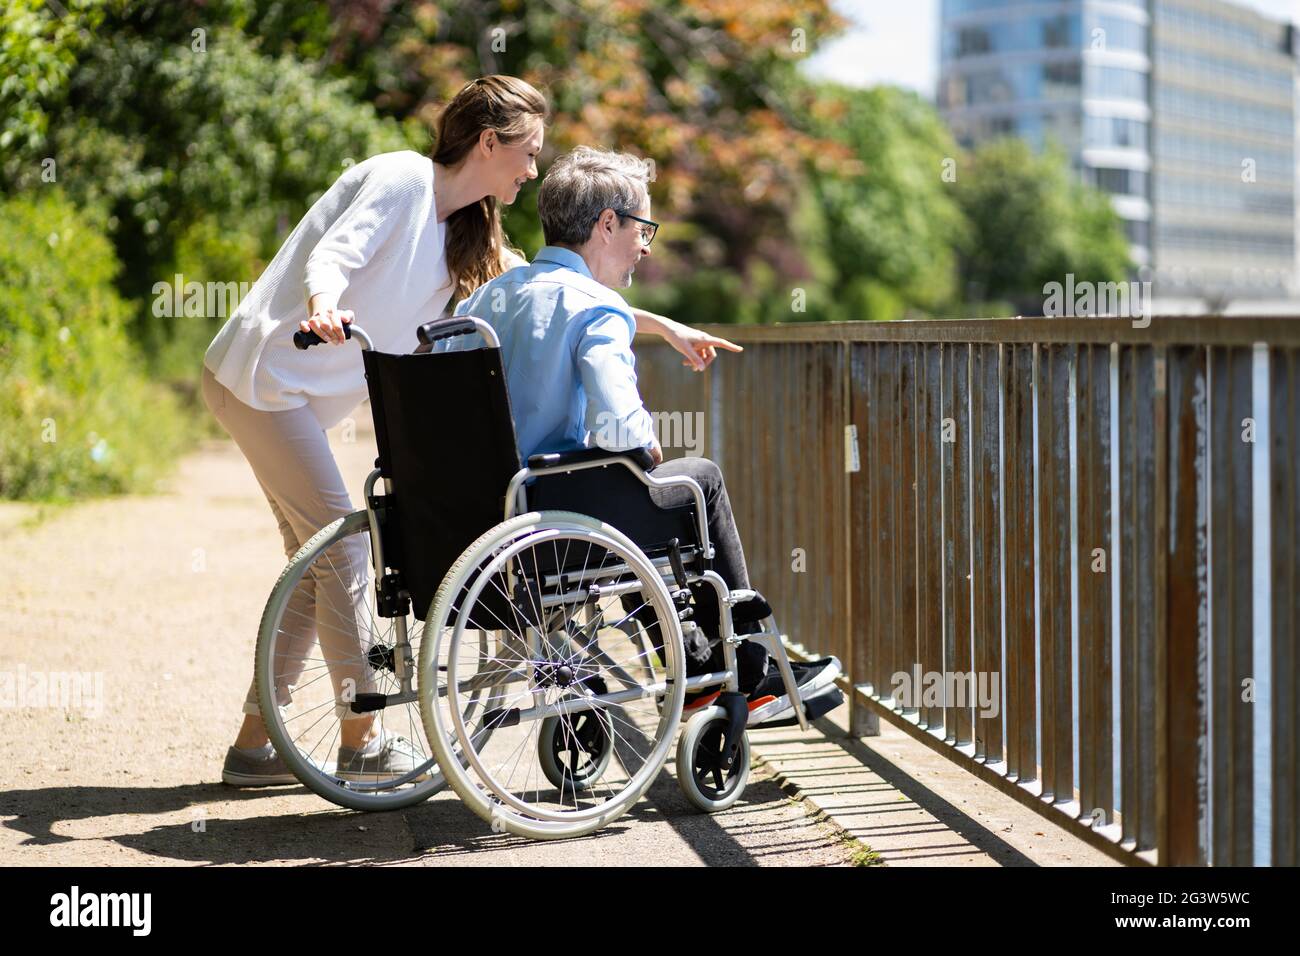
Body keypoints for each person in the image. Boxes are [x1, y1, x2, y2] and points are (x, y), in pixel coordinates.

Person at [205, 77, 743, 787]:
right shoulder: (400, 179)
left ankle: (253, 748)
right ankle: (360, 741)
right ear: (489, 141)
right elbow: (331, 255)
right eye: (528, 153)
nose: (531, 170)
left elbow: (550, 296)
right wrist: (325, 306)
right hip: (262, 380)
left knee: (314, 569)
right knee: (341, 551)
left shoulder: (470, 230)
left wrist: (661, 325)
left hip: (291, 396)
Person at [444, 145, 843, 727]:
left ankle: (698, 668)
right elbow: (620, 428)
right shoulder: (596, 308)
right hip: (544, 533)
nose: (647, 244)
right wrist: (645, 444)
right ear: (608, 223)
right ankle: (749, 671)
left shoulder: (484, 300)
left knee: (635, 497)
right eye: (643, 227)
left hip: (468, 530)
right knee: (689, 480)